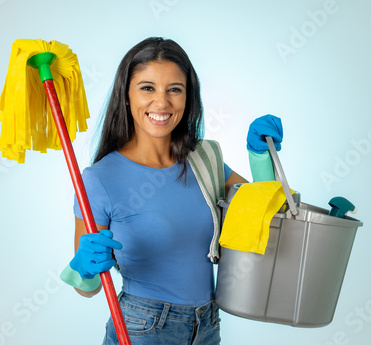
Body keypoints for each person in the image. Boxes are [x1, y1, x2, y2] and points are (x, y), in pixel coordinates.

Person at [60, 37, 283, 345]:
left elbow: (267, 216)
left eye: (174, 90)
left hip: (207, 325)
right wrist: (82, 267)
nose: (161, 103)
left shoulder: (206, 159)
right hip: (142, 327)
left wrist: (261, 158)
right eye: (147, 88)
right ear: (126, 95)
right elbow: (86, 288)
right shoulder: (100, 179)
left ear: (188, 98)